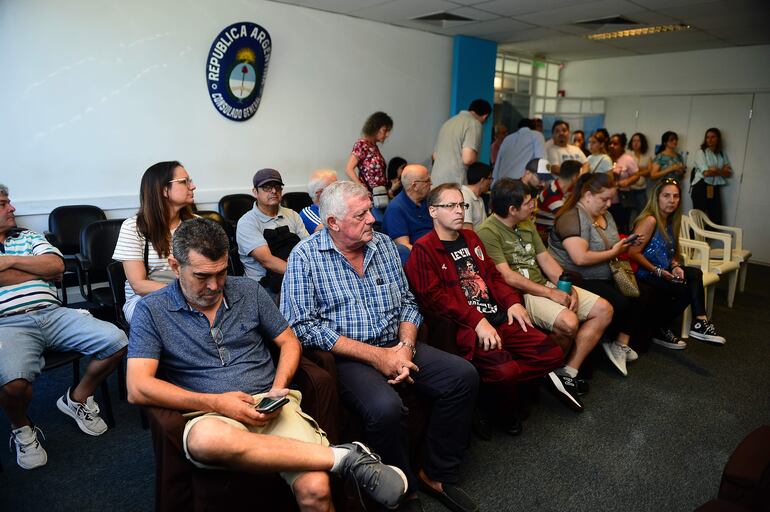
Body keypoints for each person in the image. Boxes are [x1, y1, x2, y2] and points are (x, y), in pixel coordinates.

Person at [126, 218, 408, 512]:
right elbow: (137, 388)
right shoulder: (152, 310)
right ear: (175, 266)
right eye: (201, 276)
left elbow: (288, 342)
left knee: (316, 489)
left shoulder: (247, 290)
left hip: (270, 403)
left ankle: (340, 459)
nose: (214, 285)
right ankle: (343, 458)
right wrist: (218, 404)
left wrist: (279, 386)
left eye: (221, 273)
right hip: (213, 413)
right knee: (205, 440)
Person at [281, 181, 480, 512]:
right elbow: (301, 326)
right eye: (361, 214)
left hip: (397, 343)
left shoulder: (384, 246)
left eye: (370, 210)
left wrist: (404, 346)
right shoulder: (305, 258)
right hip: (349, 357)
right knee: (385, 408)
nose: (373, 218)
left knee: (463, 376)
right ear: (333, 222)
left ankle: (434, 472)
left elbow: (406, 302)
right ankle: (402, 491)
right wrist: (377, 357)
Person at [0, 184, 127, 470]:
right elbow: (41, 268)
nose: (12, 208)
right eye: (3, 203)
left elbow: (55, 267)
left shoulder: (29, 236)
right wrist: (31, 269)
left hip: (53, 313)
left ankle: (77, 397)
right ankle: (22, 428)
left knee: (117, 341)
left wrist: (8, 262)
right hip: (7, 323)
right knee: (13, 384)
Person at [477, 179, 614, 411]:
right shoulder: (487, 231)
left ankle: (566, 372)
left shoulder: (526, 223)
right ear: (512, 209)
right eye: (530, 203)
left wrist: (565, 286)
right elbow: (507, 277)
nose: (535, 207)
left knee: (604, 310)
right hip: (522, 293)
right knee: (569, 323)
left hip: (545, 285)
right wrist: (550, 293)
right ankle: (545, 369)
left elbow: (546, 260)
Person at [548, 173, 648, 377]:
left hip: (604, 274)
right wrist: (615, 251)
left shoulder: (605, 216)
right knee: (621, 302)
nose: (609, 204)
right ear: (587, 195)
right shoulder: (573, 218)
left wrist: (626, 243)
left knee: (642, 293)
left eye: (611, 199)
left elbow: (609, 244)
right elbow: (580, 258)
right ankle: (607, 342)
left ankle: (618, 343)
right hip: (577, 279)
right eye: (604, 199)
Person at [629, 179, 726, 348]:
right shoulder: (650, 220)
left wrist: (675, 266)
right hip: (645, 272)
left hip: (663, 269)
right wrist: (658, 271)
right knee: (684, 288)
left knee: (695, 274)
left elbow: (672, 253)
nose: (671, 200)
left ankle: (700, 322)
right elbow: (633, 253)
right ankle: (661, 327)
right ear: (656, 198)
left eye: (675, 196)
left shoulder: (672, 220)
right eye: (666, 196)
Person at [113, 161, 197, 322]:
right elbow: (139, 285)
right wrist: (185, 294)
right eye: (184, 181)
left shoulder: (197, 224)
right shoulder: (133, 227)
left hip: (193, 293)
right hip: (146, 299)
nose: (193, 186)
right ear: (164, 190)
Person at [237, 169, 309, 294]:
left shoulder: (292, 215)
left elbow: (307, 248)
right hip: (262, 287)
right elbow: (267, 261)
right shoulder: (246, 222)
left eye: (277, 186)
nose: (274, 191)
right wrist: (303, 273)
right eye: (266, 187)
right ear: (255, 192)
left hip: (296, 279)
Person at [431, 99, 491, 186]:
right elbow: (468, 158)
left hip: (436, 179)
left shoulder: (448, 122)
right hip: (454, 181)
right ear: (485, 116)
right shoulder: (474, 123)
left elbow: (435, 156)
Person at [382, 164, 434, 260]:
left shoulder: (429, 201)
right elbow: (404, 247)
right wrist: (433, 257)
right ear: (414, 186)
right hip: (420, 259)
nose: (431, 183)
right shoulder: (396, 209)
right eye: (427, 181)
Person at [691, 127, 732, 224]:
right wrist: (721, 171)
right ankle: (693, 238)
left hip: (714, 187)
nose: (710, 139)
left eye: (713, 137)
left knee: (716, 220)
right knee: (698, 219)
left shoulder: (721, 154)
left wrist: (715, 170)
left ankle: (703, 239)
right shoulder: (701, 152)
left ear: (718, 139)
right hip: (701, 186)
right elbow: (706, 173)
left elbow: (728, 173)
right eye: (707, 137)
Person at [344, 111, 393, 192]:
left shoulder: (374, 146)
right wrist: (361, 188)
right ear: (375, 128)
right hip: (370, 197)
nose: (387, 134)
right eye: (385, 130)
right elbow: (348, 169)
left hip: (380, 195)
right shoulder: (362, 144)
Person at [535, 160, 582, 243]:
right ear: (575, 177)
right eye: (580, 175)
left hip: (558, 230)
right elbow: (566, 217)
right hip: (546, 236)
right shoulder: (551, 193)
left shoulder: (569, 189)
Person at [492, 118, 546, 183]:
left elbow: (498, 164)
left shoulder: (508, 138)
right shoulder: (537, 135)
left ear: (518, 128)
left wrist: (494, 183)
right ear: (533, 128)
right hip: (520, 185)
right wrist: (544, 182)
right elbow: (541, 161)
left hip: (502, 184)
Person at [607, 133, 640, 234]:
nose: (612, 146)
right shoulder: (606, 158)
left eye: (615, 144)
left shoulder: (627, 159)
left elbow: (636, 175)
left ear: (622, 146)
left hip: (622, 199)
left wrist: (627, 181)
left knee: (621, 225)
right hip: (607, 198)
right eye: (610, 143)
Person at [299, 169, 338, 234]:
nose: (340, 189)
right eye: (335, 187)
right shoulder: (307, 214)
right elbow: (331, 232)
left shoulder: (338, 206)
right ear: (320, 193)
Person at [627, 132, 652, 216]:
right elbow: (627, 170)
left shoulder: (647, 156)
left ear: (642, 143)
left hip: (642, 189)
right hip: (629, 189)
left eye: (638, 141)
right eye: (634, 140)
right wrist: (643, 169)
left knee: (642, 213)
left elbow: (649, 172)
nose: (636, 143)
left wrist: (637, 170)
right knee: (629, 214)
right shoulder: (627, 155)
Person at [461, 162, 492, 229]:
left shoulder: (479, 198)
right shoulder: (465, 196)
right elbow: (467, 228)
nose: (491, 182)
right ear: (482, 180)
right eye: (490, 178)